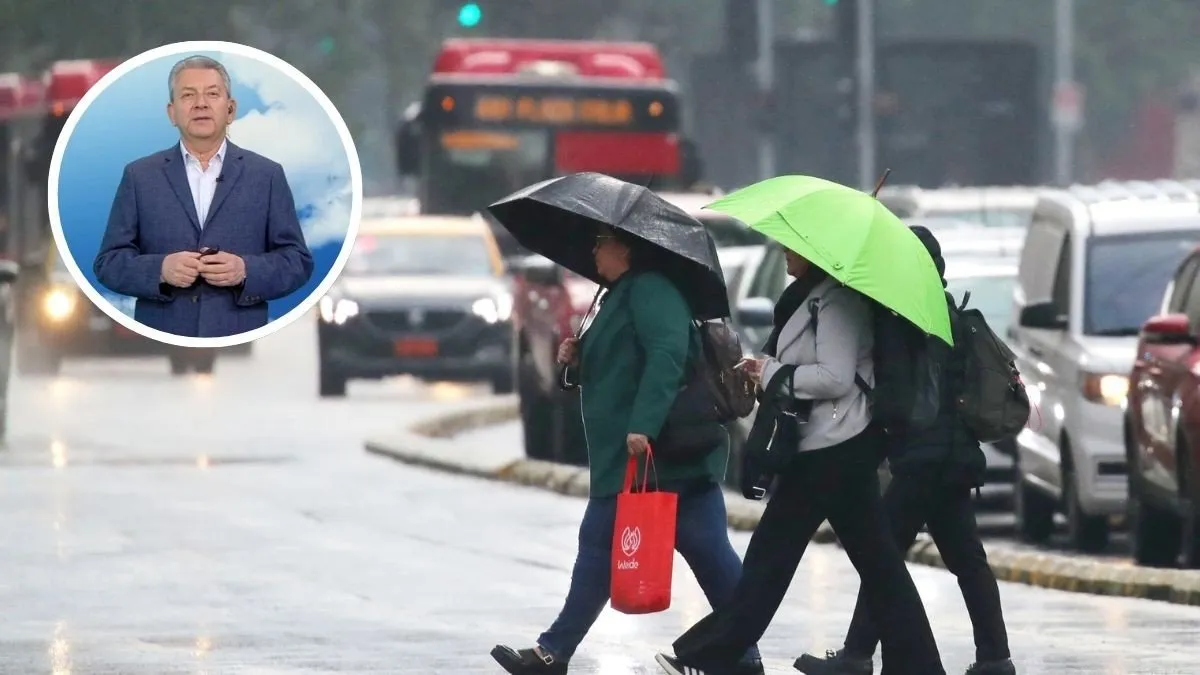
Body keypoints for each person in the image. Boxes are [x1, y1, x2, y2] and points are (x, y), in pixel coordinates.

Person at [654, 245, 945, 675]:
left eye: (795, 248)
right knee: (879, 565)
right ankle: (921, 666)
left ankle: (710, 657)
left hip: (831, 448)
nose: (787, 253)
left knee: (769, 562)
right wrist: (766, 369)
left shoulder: (837, 301)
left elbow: (835, 376)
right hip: (834, 446)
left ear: (818, 252)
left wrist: (772, 373)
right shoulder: (813, 297)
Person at [491, 226, 763, 675]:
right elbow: (624, 359)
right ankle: (742, 654)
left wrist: (644, 425)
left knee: (604, 544)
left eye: (602, 242)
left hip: (653, 450)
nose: (594, 249)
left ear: (627, 248)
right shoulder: (619, 293)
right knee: (707, 551)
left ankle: (552, 652)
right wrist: (578, 359)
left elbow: (667, 355)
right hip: (653, 455)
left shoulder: (651, 291)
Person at [795, 226, 1014, 675]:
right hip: (955, 455)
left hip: (919, 458)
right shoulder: (946, 311)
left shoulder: (900, 320)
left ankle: (857, 656)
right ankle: (995, 657)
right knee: (967, 559)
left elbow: (894, 395)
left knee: (883, 558)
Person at [93, 55, 313, 338]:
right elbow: (108, 263)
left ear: (230, 109)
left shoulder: (266, 176)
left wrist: (246, 270)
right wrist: (159, 270)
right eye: (188, 95)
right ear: (172, 113)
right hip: (161, 338)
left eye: (212, 94)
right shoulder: (139, 176)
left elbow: (297, 261)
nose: (201, 104)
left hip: (240, 336)